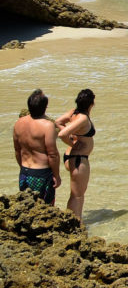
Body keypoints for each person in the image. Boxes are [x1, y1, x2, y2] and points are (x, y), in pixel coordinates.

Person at [12, 89, 61, 204]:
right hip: (42, 174)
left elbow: (17, 150)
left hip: (24, 172)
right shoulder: (47, 126)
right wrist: (57, 176)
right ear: (45, 107)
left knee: (26, 207)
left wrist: (23, 168)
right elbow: (52, 154)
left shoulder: (18, 123)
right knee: (45, 210)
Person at [55, 89, 96, 220]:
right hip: (78, 159)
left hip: (72, 157)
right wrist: (73, 142)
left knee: (76, 194)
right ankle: (74, 223)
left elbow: (58, 123)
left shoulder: (74, 113)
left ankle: (75, 221)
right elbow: (61, 134)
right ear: (91, 104)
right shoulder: (83, 118)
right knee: (77, 195)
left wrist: (72, 138)